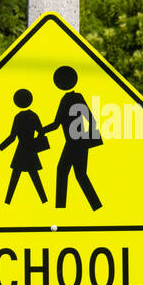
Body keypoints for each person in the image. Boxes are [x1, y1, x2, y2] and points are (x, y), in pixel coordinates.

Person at [43, 65, 102, 210]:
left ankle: (61, 208)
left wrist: (41, 130)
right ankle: (95, 206)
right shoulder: (74, 97)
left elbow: (58, 124)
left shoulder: (69, 98)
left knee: (64, 171)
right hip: (77, 142)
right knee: (79, 175)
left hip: (75, 143)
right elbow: (59, 124)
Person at [0, 89, 49, 204]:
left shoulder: (18, 117)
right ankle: (44, 201)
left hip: (21, 150)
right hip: (30, 149)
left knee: (16, 177)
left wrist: (0, 148)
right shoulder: (33, 116)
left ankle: (7, 201)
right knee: (33, 176)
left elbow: (12, 136)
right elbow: (41, 131)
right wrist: (36, 143)